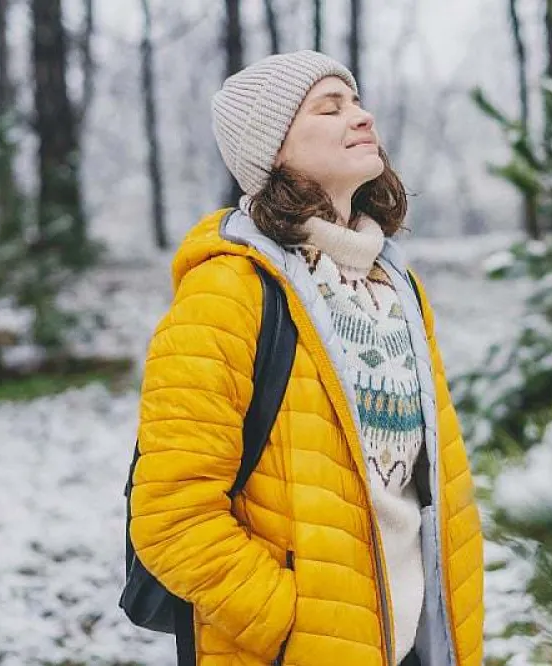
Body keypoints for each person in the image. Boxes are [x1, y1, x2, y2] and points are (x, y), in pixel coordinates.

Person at [128, 51, 484, 666]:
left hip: (422, 639)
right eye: (331, 107)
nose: (364, 117)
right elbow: (170, 513)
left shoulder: (396, 286)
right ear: (274, 151)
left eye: (358, 101)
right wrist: (290, 625)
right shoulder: (230, 291)